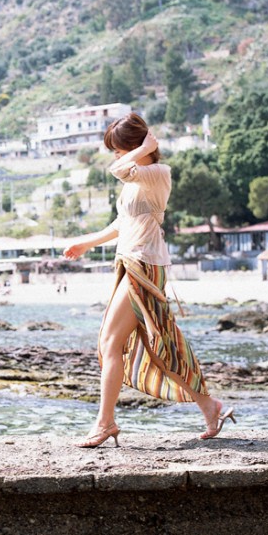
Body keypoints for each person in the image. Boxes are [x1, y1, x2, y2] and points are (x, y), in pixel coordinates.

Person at [63, 113, 235, 447]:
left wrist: (142, 149)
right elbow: (122, 223)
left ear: (137, 146)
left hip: (144, 264)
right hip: (132, 261)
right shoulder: (135, 179)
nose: (116, 156)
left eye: (119, 149)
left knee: (111, 343)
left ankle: (105, 423)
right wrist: (86, 243)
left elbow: (118, 169)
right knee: (157, 346)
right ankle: (209, 406)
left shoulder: (157, 173)